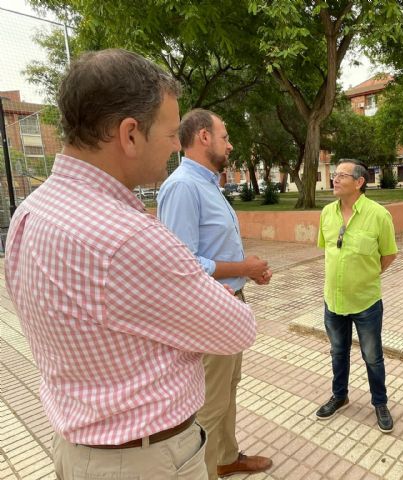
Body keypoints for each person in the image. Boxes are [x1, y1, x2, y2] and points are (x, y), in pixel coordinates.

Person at [4, 49, 257, 479]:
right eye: (171, 133)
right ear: (130, 134)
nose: (176, 146)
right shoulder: (127, 238)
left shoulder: (29, 213)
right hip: (144, 460)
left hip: (79, 450)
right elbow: (238, 329)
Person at [157, 109, 272, 479]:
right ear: (203, 137)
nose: (230, 144)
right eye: (225, 137)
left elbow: (211, 248)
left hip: (228, 305)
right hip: (208, 314)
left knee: (227, 390)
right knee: (209, 403)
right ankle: (205, 470)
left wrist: (247, 272)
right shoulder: (182, 187)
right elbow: (182, 263)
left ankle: (225, 457)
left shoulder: (207, 183)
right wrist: (242, 268)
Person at [315, 159, 398, 433]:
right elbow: (327, 250)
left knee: (372, 356)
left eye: (342, 175)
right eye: (335, 174)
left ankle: (380, 403)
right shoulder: (327, 213)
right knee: (338, 352)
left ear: (360, 182)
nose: (335, 179)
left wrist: (366, 275)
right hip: (333, 301)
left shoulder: (379, 215)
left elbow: (389, 254)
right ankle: (339, 396)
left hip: (366, 302)